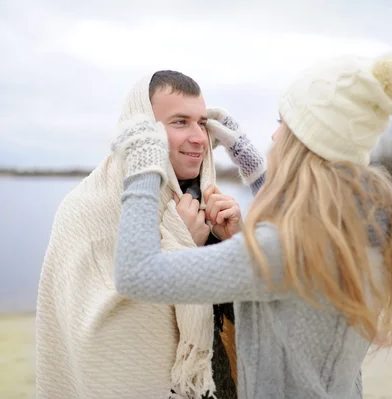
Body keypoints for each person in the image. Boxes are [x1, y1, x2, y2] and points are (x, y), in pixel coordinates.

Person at [111, 52, 392, 398]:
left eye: (283, 123)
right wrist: (249, 162)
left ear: (304, 139)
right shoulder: (364, 224)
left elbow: (136, 273)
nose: (274, 137)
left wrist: (144, 163)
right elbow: (301, 214)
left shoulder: (282, 251)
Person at [36, 70, 264, 399]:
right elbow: (95, 338)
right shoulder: (86, 210)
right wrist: (182, 246)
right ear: (144, 130)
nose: (199, 138)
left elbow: (247, 318)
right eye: (180, 122)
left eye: (202, 122)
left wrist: (235, 243)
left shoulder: (206, 202)